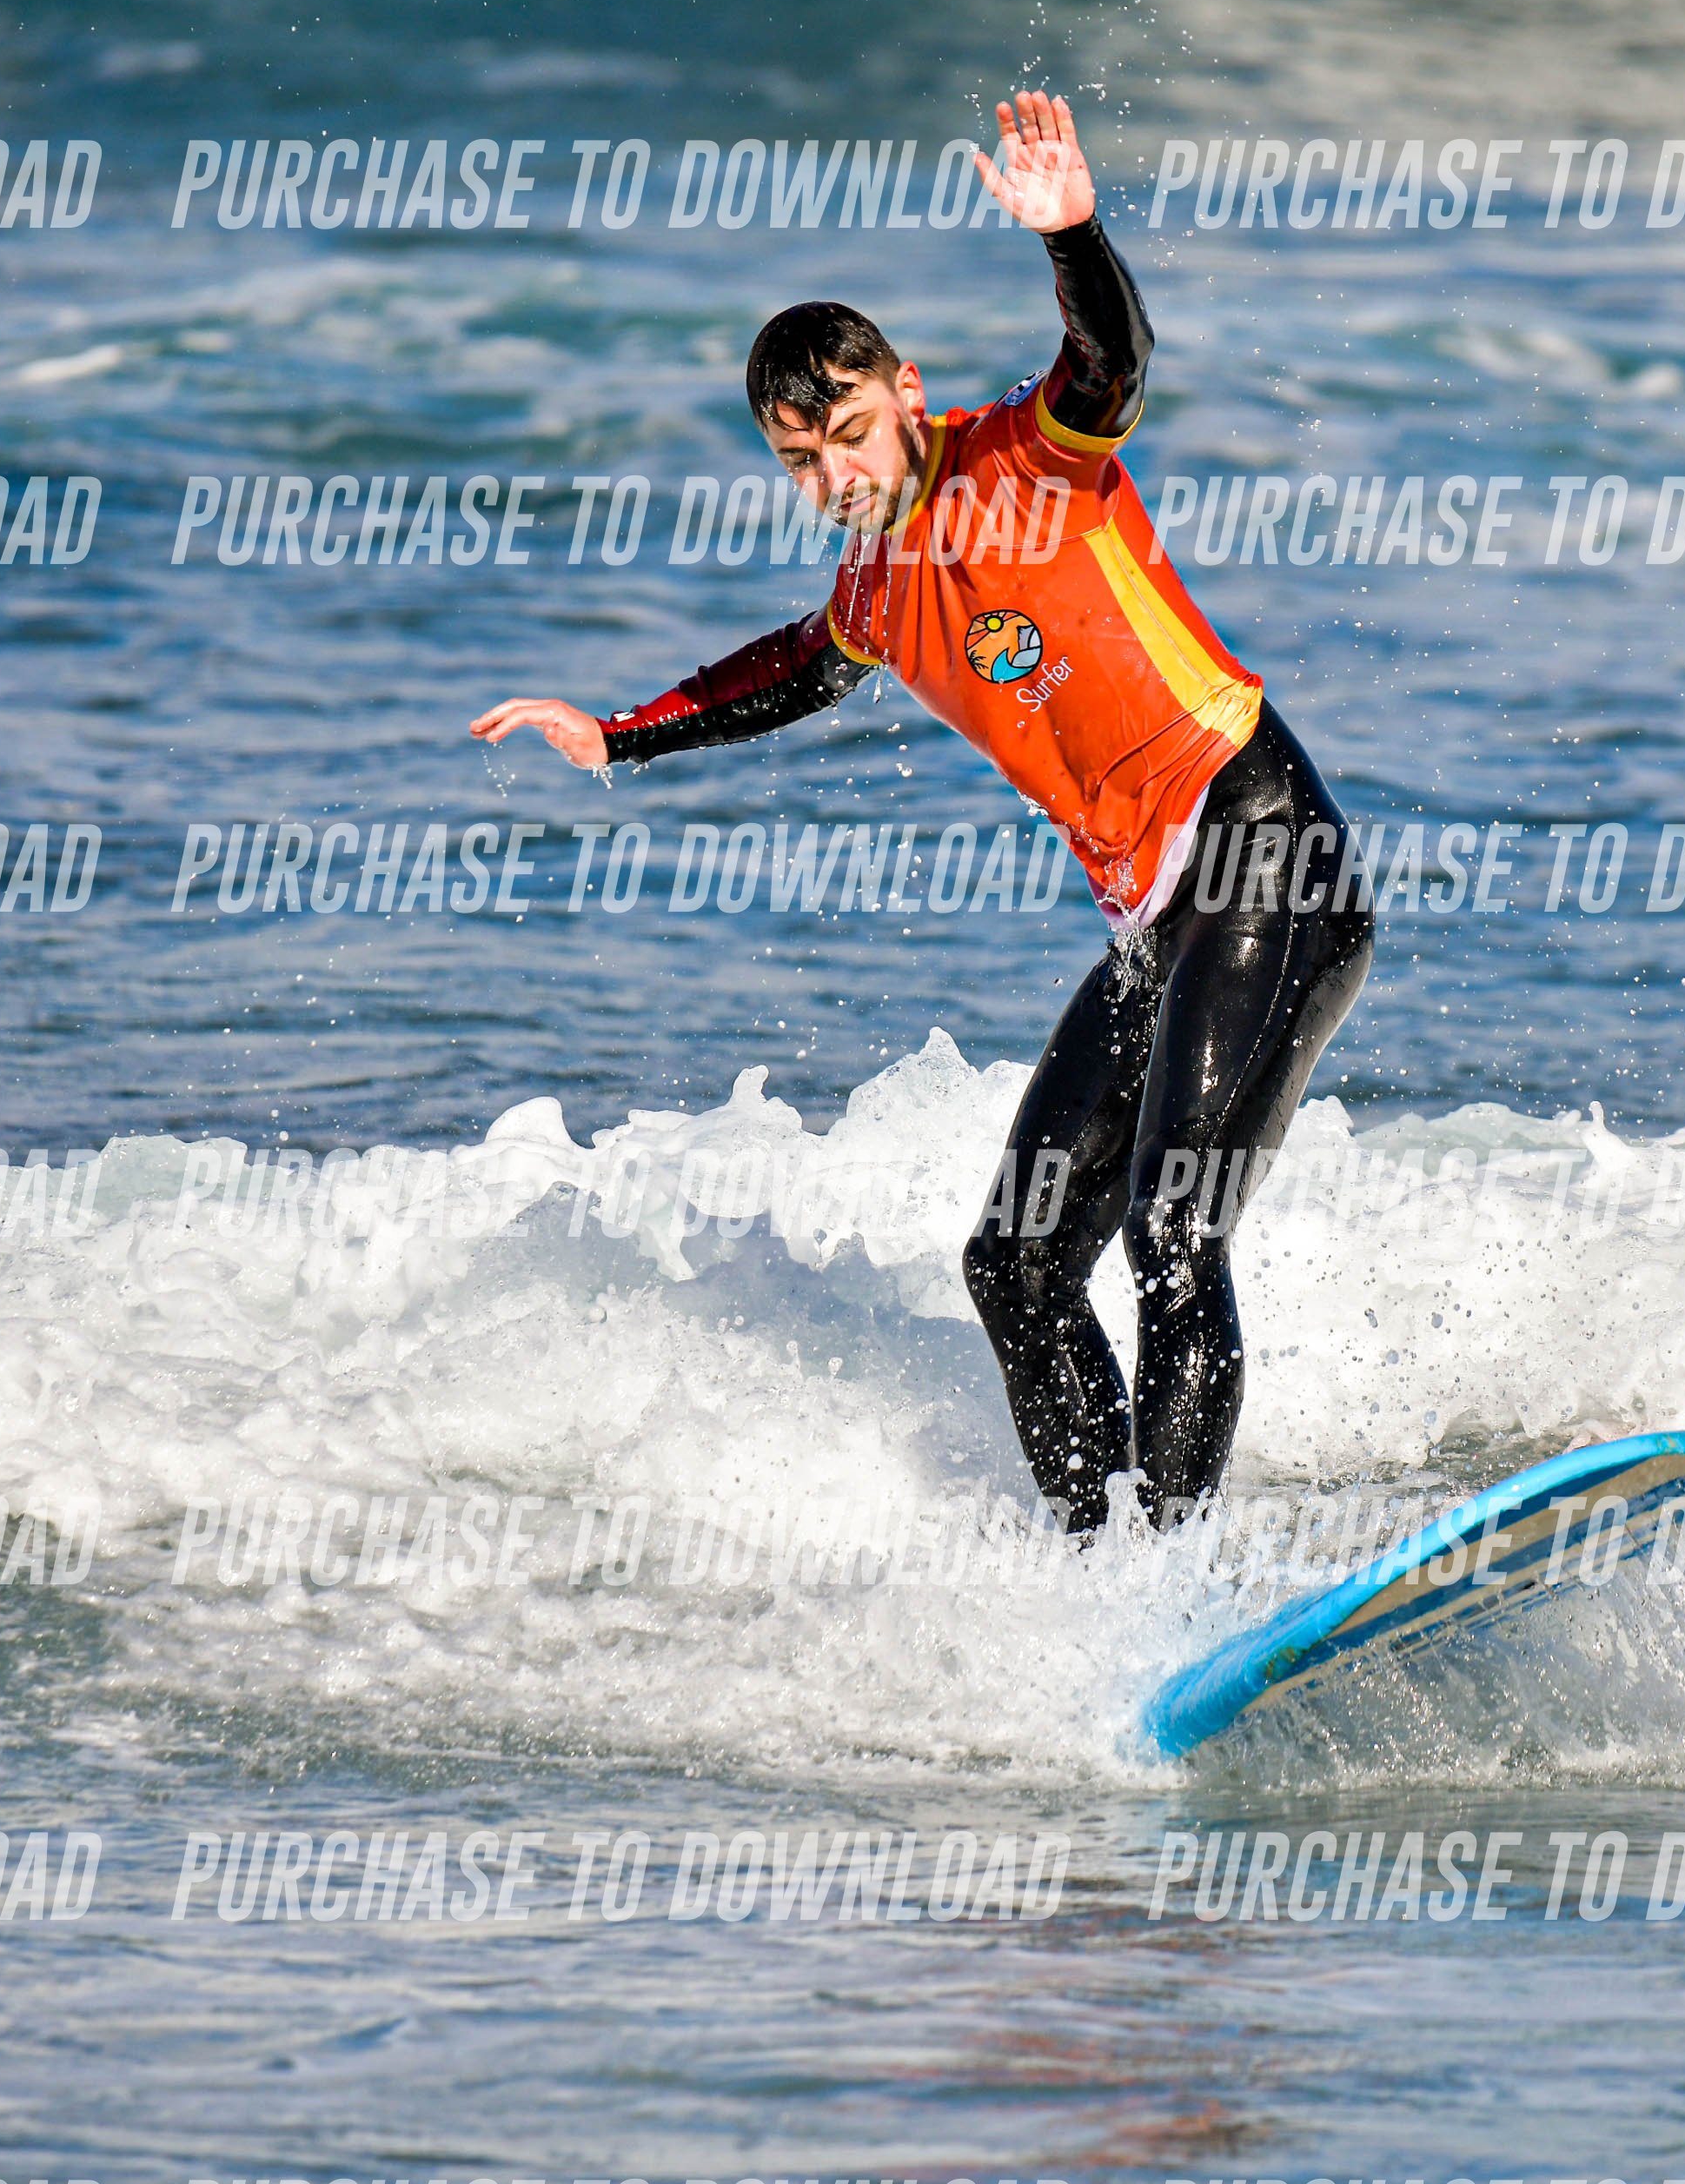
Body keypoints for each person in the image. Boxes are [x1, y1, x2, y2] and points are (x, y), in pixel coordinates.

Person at [474, 92, 1374, 1536]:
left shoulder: (1033, 455)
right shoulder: (875, 590)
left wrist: (1071, 232)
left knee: (1171, 1233)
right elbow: (792, 670)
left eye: (848, 433)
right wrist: (620, 735)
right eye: (800, 462)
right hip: (1158, 923)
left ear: (904, 390)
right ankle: (1102, 1574)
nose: (834, 477)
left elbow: (1112, 358)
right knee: (1014, 1267)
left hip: (1263, 855)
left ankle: (1179, 1574)